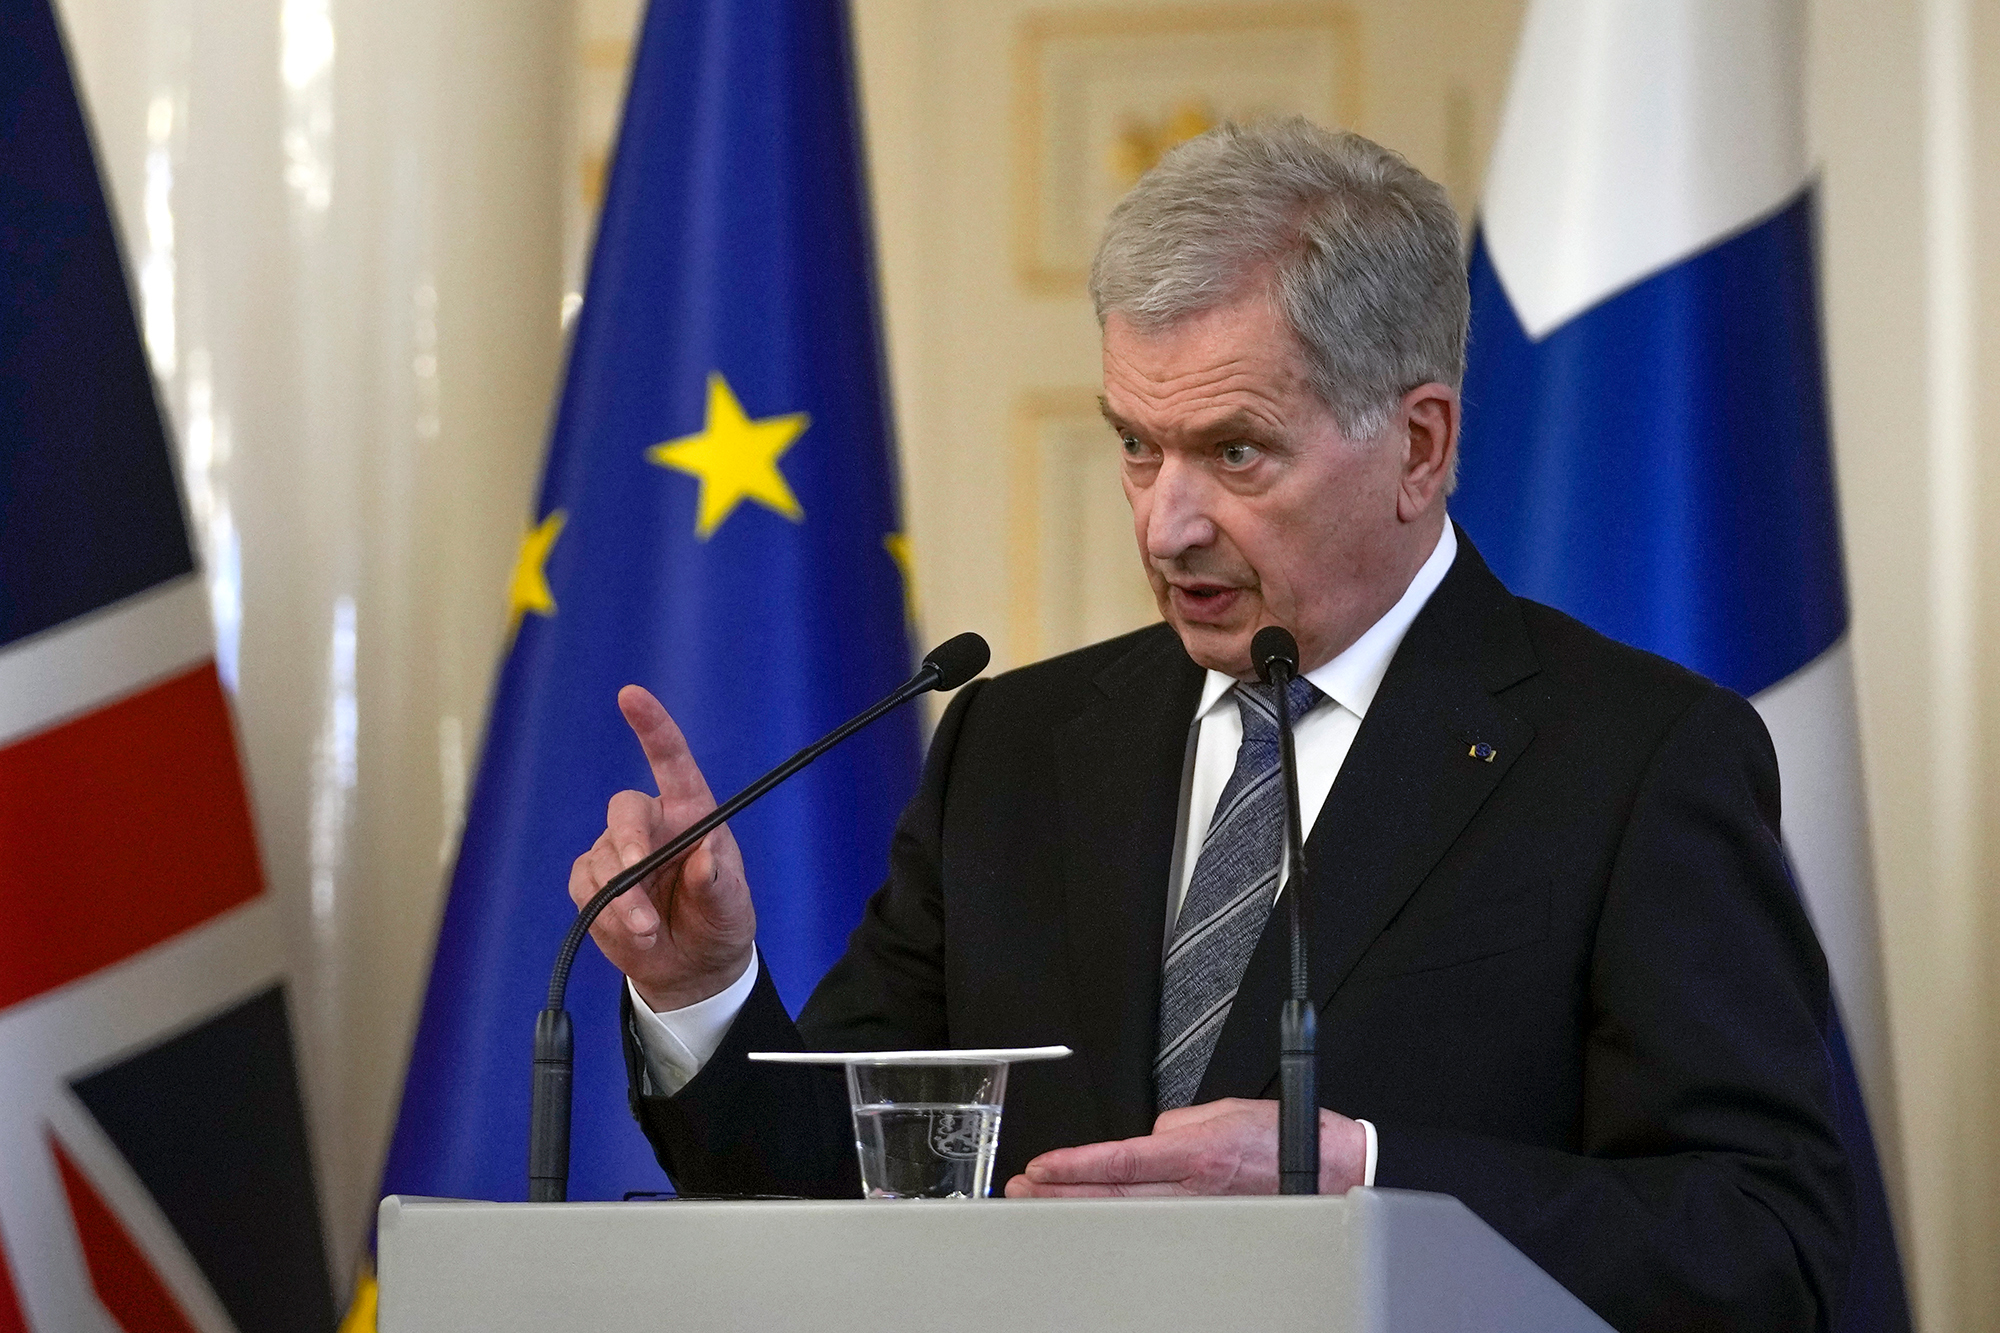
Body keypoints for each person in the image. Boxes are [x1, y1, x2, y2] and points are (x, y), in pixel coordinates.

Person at [568, 118, 1853, 1332]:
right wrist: (700, 992)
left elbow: (1762, 1240)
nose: (1163, 525)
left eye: (1234, 453)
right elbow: (834, 1189)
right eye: (1137, 444)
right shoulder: (1010, 747)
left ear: (1418, 445)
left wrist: (1357, 1175)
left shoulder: (1631, 758)